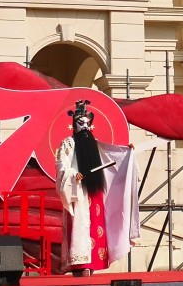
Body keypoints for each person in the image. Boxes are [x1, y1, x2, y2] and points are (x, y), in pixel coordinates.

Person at [56, 99, 139, 276]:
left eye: (87, 123)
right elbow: (61, 166)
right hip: (77, 192)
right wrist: (73, 175)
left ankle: (94, 263)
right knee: (80, 228)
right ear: (74, 125)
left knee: (96, 228)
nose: (84, 127)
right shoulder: (68, 144)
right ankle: (81, 265)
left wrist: (126, 152)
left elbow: (111, 155)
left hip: (95, 193)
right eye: (80, 123)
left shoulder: (95, 144)